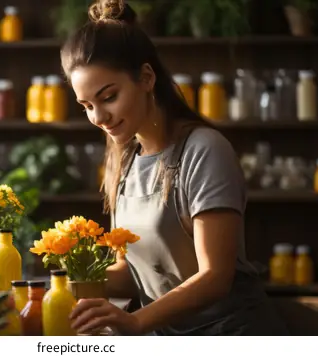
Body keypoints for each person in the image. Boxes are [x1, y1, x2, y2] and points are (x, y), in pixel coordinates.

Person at [63, 0, 289, 336]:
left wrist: (136, 321)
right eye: (87, 106)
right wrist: (70, 283)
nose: (98, 117)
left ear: (146, 77)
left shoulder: (204, 151)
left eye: (108, 97)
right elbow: (134, 271)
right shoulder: (124, 160)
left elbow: (215, 277)